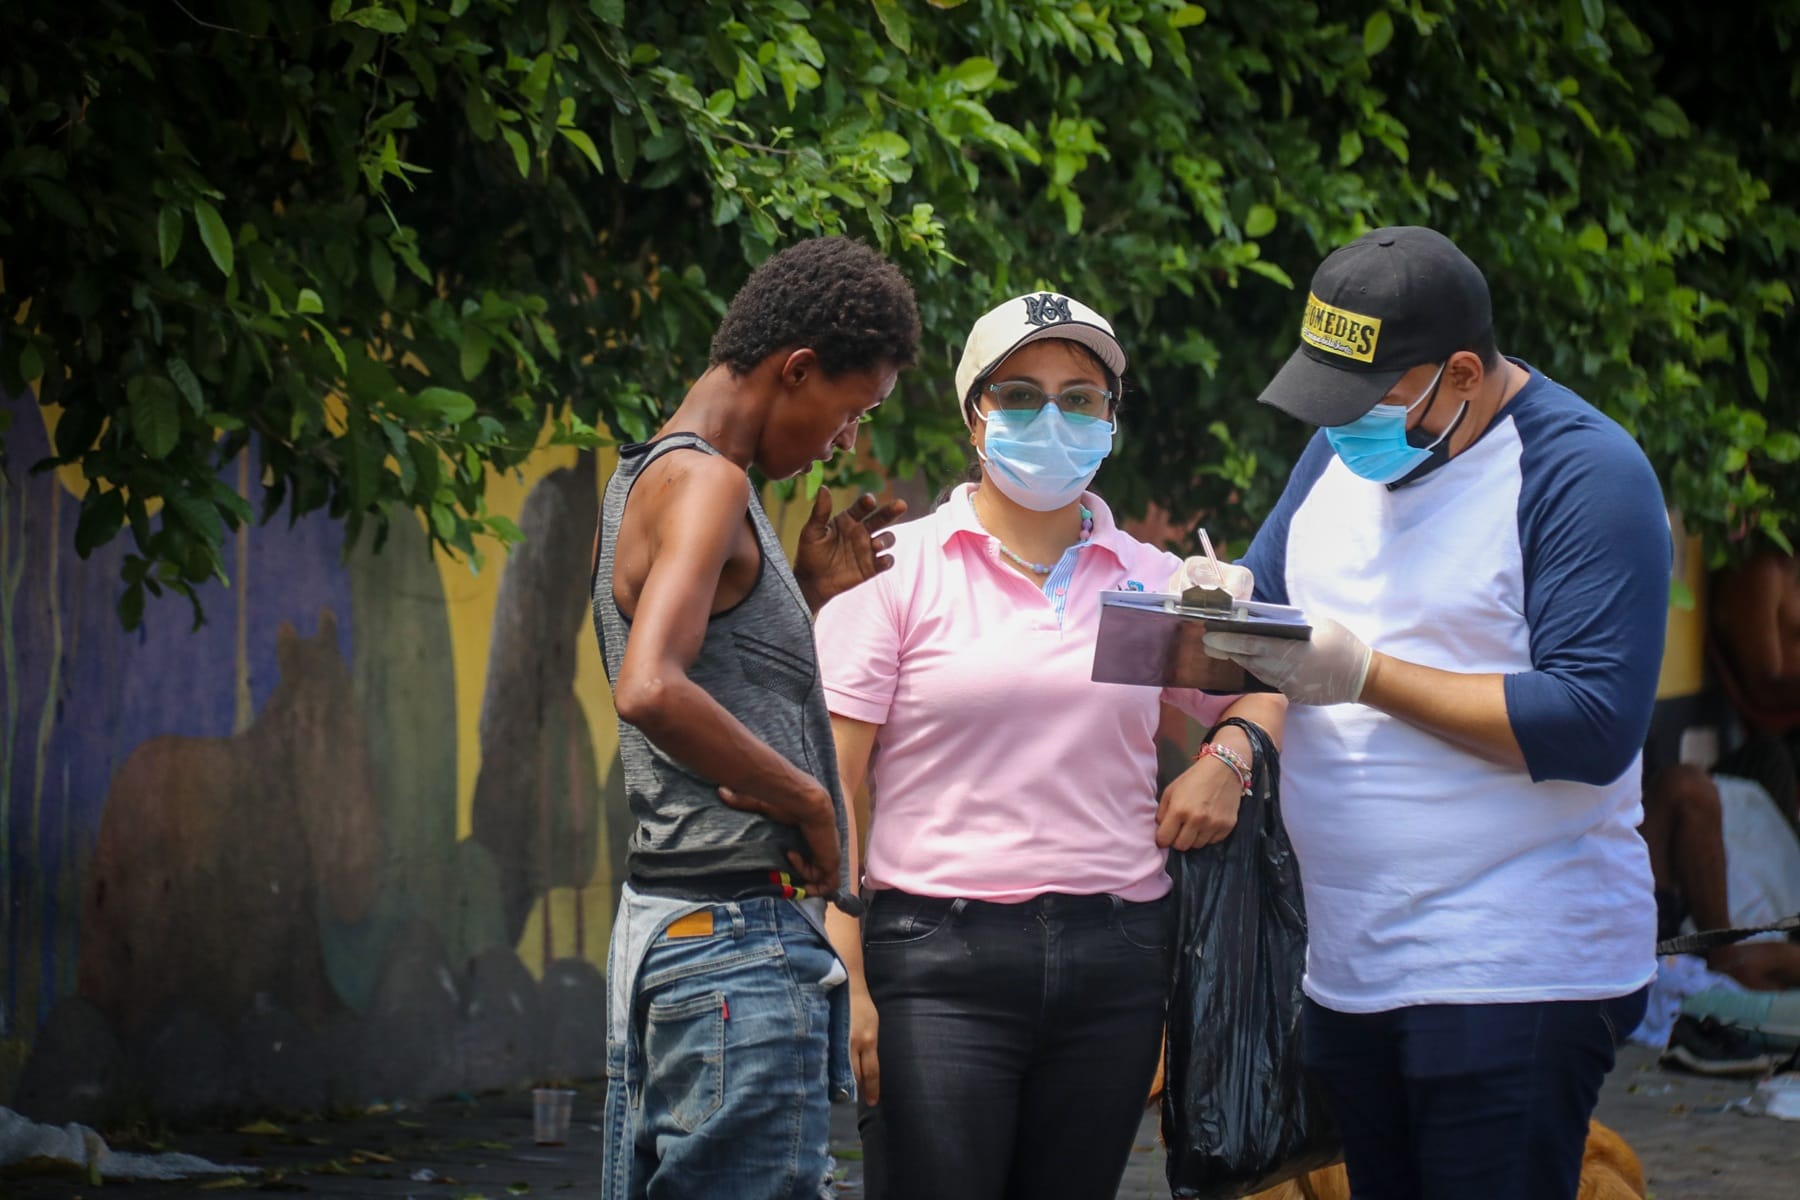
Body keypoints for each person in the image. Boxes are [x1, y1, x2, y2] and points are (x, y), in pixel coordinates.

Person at [1203, 227, 1669, 1200]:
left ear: (1460, 373)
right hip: (1355, 963)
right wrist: (1208, 610)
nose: (1338, 429)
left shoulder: (1583, 475)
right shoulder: (1341, 460)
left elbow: (1592, 723)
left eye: (1364, 402)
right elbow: (1272, 609)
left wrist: (1367, 674)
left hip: (1516, 967)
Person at [812, 291, 1286, 1200]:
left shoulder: (1154, 582)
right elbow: (839, 788)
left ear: (1111, 420)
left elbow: (1269, 685)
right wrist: (850, 976)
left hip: (1117, 962)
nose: (1053, 417)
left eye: (1081, 398)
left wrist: (1227, 761)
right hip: (935, 961)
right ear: (974, 416)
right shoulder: (893, 569)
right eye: (1022, 394)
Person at [592, 236, 920, 1199]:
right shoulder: (710, 484)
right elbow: (650, 686)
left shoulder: (650, 472)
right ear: (797, 369)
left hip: (678, 929)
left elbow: (712, 678)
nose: (844, 442)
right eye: (849, 410)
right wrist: (814, 805)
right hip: (735, 942)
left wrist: (807, 601)